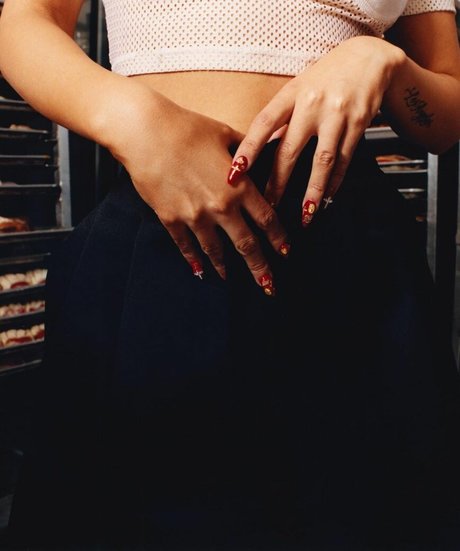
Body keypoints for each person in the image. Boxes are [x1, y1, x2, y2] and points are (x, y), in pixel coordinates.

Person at [1, 0, 460, 549]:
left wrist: (382, 62)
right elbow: (23, 20)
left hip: (352, 268)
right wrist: (134, 120)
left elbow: (445, 117)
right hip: (159, 241)